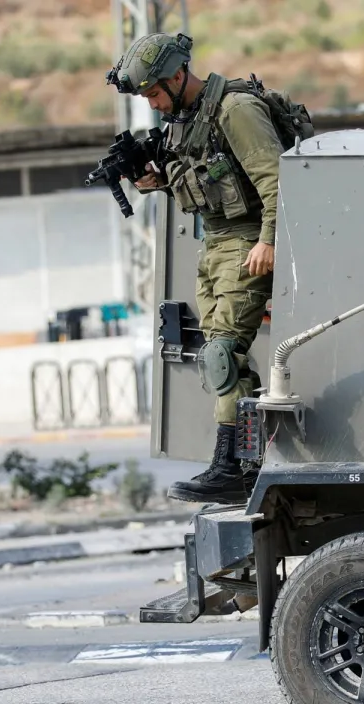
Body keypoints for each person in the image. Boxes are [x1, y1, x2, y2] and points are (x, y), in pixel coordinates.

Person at [106, 32, 282, 504]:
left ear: (178, 74)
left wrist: (268, 239)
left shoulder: (235, 110)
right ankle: (250, 464)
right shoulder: (185, 120)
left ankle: (230, 467)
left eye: (155, 93)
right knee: (223, 360)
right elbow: (205, 181)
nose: (153, 104)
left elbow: (276, 179)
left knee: (222, 352)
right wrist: (159, 181)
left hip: (246, 239)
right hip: (215, 243)